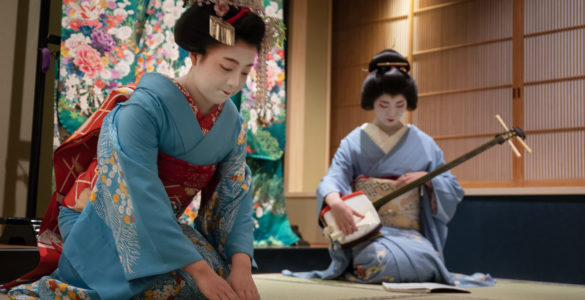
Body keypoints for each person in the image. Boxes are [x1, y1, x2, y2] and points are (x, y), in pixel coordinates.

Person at [7, 1, 281, 299]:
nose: (234, 82)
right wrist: (198, 271)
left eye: (245, 72)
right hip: (103, 218)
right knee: (177, 286)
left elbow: (235, 196)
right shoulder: (143, 108)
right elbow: (138, 190)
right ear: (195, 55)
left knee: (217, 284)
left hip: (160, 227)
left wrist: (240, 266)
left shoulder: (232, 125)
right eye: (227, 67)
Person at [284, 49, 494, 287]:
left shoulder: (424, 144)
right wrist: (336, 203)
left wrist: (428, 178)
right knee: (379, 261)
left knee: (428, 261)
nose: (392, 112)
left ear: (408, 103)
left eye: (399, 105)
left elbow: (451, 187)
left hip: (410, 233)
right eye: (384, 105)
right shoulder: (354, 141)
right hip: (369, 232)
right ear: (372, 102)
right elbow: (332, 179)